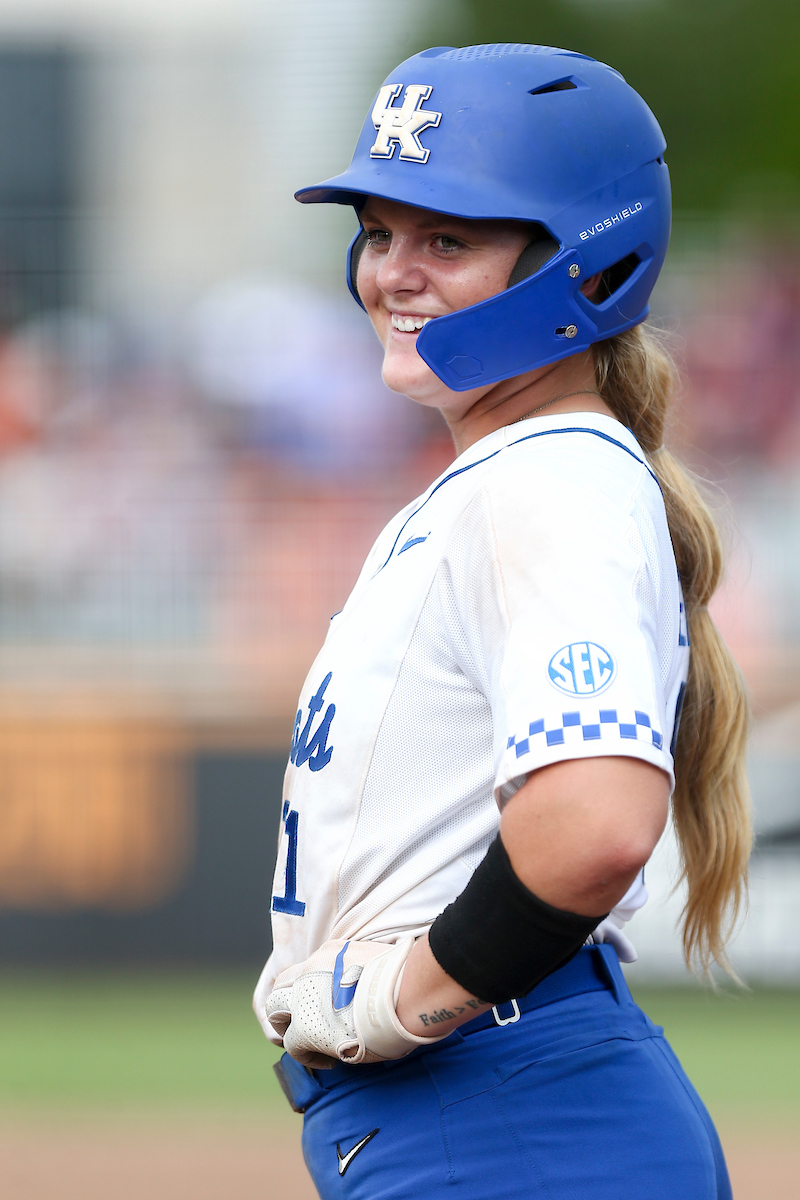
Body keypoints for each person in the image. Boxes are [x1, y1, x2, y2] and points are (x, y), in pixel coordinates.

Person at [253, 43, 750, 1200]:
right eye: (379, 233)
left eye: (448, 239)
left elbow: (590, 826)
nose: (392, 275)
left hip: (508, 1118)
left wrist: (403, 998)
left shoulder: (548, 478)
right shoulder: (514, 475)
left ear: (578, 261)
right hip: (498, 1117)